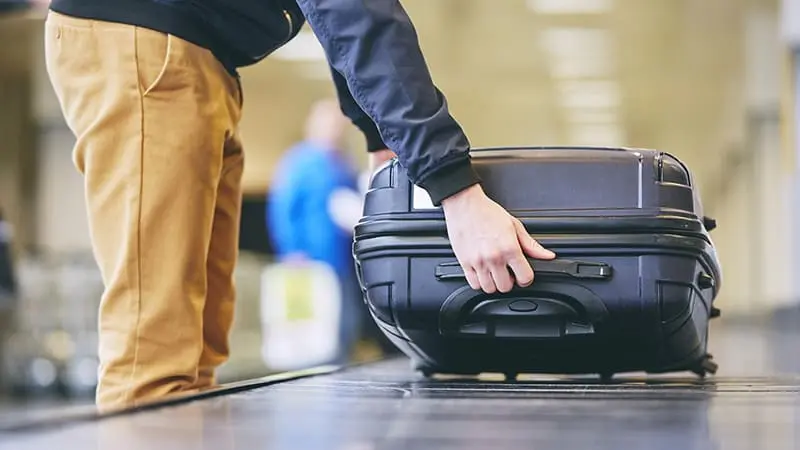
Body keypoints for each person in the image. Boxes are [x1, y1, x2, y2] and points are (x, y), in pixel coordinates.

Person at [43, 0, 556, 409]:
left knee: (194, 359)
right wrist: (457, 192)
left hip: (195, 55)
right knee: (152, 367)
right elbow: (354, 15)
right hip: (146, 40)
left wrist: (379, 135)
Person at [267, 99, 362, 364]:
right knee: (314, 333)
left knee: (344, 326)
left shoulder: (343, 164)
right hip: (308, 263)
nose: (334, 130)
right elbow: (283, 208)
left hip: (342, 262)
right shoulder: (299, 162)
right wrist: (291, 250)